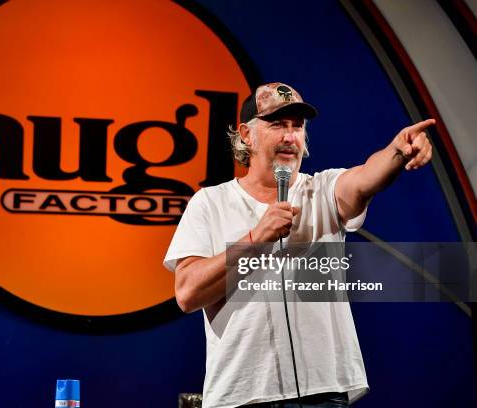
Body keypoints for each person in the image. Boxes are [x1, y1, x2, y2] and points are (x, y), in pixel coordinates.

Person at [163, 82, 435, 408]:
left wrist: (397, 152)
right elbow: (187, 293)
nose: (290, 136)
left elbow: (365, 177)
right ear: (246, 135)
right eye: (277, 124)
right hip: (241, 395)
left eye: (298, 126)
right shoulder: (210, 203)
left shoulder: (322, 190)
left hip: (323, 392)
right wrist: (255, 239)